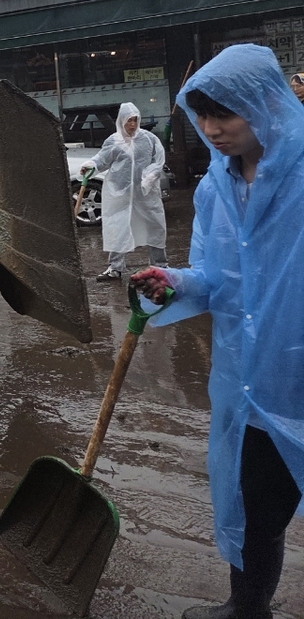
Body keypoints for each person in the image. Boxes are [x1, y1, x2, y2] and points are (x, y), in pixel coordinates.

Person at [131, 44, 303, 619]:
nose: (211, 129)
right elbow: (214, 278)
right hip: (251, 384)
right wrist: (173, 282)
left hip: (300, 373)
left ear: (266, 103)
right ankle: (248, 608)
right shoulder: (214, 189)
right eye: (202, 115)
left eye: (224, 114)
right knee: (255, 508)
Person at [80, 102, 167, 281]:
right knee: (118, 227)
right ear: (121, 121)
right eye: (129, 120)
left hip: (145, 193)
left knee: (155, 226)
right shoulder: (114, 141)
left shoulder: (149, 139)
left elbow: (158, 160)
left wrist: (151, 175)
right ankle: (115, 268)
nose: (133, 124)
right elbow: (102, 160)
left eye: (135, 120)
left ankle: (160, 266)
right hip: (120, 193)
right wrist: (91, 166)